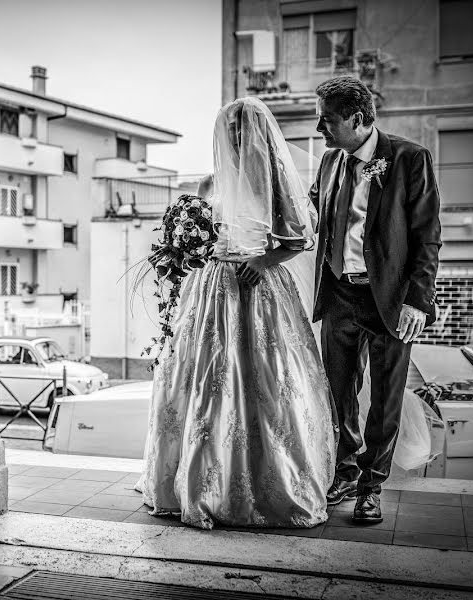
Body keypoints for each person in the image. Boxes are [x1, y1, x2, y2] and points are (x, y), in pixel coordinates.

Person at [136, 97, 336, 529]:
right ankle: (200, 480)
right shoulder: (211, 183)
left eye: (242, 131)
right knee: (204, 381)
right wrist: (182, 251)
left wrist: (263, 262)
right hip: (210, 293)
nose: (235, 139)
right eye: (230, 131)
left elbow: (301, 238)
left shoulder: (276, 182)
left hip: (257, 290)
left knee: (263, 382)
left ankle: (264, 483)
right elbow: (205, 235)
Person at [310, 76, 442, 523]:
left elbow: (427, 239)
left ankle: (372, 485)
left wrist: (417, 302)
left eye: (327, 120)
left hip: (389, 300)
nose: (319, 129)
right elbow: (311, 215)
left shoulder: (409, 159)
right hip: (340, 295)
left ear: (358, 118)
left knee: (385, 400)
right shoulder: (329, 162)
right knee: (338, 394)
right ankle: (344, 471)